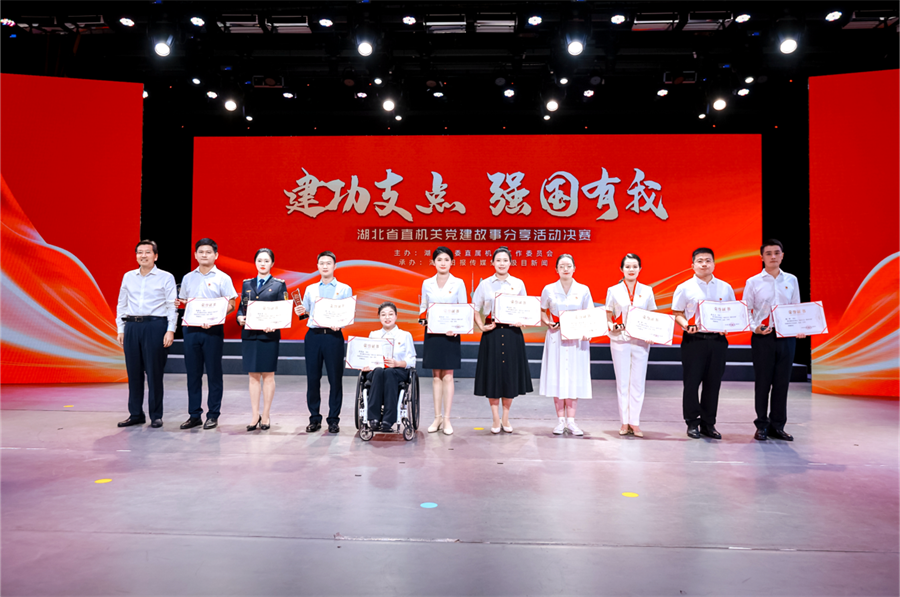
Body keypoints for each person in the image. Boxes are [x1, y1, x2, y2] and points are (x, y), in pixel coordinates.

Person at [672, 247, 736, 440]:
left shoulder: (725, 287)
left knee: (713, 383)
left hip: (718, 341)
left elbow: (732, 312)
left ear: (714, 264)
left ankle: (709, 423)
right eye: (700, 261)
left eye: (708, 260)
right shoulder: (684, 287)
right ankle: (692, 423)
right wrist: (686, 325)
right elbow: (677, 313)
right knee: (691, 383)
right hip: (694, 340)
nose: (704, 264)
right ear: (692, 265)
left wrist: (728, 326)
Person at [744, 239, 804, 442]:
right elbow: (746, 310)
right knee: (763, 382)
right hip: (763, 337)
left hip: (786, 337)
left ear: (782, 256)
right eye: (768, 253)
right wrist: (755, 328)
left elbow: (796, 307)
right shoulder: (753, 281)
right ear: (762, 257)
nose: (772, 257)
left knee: (782, 383)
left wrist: (800, 328)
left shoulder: (791, 280)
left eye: (776, 253)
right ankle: (761, 425)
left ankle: (778, 426)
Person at [115, 240, 178, 428]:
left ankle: (156, 415)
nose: (143, 255)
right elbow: (121, 304)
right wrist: (121, 328)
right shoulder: (128, 276)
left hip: (155, 326)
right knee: (133, 373)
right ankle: (135, 414)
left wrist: (170, 330)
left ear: (155, 256)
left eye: (147, 252)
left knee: (154, 373)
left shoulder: (166, 277)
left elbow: (171, 306)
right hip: (132, 326)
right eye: (139, 252)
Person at [176, 238, 237, 430]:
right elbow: (184, 302)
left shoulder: (223, 278)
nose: (204, 255)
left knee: (213, 373)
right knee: (192, 374)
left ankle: (213, 415)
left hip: (213, 330)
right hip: (191, 330)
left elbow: (232, 303)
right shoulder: (188, 278)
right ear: (195, 255)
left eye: (208, 252)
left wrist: (215, 317)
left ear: (216, 255)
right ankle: (194, 415)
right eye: (201, 252)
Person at [473, 247, 533, 433]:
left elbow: (525, 308)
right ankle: (495, 419)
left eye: (505, 260)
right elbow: (475, 307)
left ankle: (506, 418)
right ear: (492, 263)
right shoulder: (485, 284)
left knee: (509, 376)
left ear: (510, 263)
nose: (501, 263)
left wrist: (522, 320)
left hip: (512, 333)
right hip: (491, 333)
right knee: (492, 375)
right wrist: (481, 326)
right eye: (498, 260)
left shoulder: (518, 283)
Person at [293, 251, 352, 434]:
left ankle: (333, 419)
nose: (325, 266)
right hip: (313, 336)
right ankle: (314, 418)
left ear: (335, 266)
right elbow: (306, 312)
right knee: (312, 379)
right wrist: (300, 311)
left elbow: (347, 314)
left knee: (335, 379)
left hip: (333, 337)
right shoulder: (311, 289)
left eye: (328, 263)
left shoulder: (344, 289)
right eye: (321, 263)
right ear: (317, 266)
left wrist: (340, 323)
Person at [539, 254, 594, 436]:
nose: (565, 269)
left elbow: (590, 314)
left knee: (574, 377)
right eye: (561, 266)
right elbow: (542, 311)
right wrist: (548, 322)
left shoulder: (583, 289)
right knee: (558, 376)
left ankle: (571, 421)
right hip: (556, 337)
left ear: (574, 268)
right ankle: (560, 421)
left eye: (568, 265)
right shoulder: (549, 289)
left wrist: (587, 331)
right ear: (556, 269)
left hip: (577, 339)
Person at [605, 253, 658, 438]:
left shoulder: (647, 290)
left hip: (641, 341)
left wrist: (651, 334)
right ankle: (624, 421)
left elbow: (652, 315)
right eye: (627, 266)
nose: (631, 269)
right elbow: (608, 314)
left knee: (637, 382)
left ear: (640, 269)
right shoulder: (613, 290)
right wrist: (612, 325)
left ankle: (635, 422)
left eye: (635, 266)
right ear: (621, 269)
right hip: (619, 339)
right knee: (622, 382)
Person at [236, 248, 288, 432]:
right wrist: (240, 317)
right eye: (259, 260)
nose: (263, 264)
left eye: (266, 261)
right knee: (252, 376)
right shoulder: (247, 284)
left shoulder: (279, 285)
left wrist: (275, 324)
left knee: (268, 375)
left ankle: (265, 414)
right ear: (255, 263)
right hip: (250, 335)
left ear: (272, 263)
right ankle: (254, 415)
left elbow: (283, 310)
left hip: (268, 336)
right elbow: (242, 307)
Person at [419, 246, 467, 436]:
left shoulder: (458, 283)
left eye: (446, 259)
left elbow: (464, 309)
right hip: (433, 332)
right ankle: (437, 417)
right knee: (435, 376)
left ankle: (447, 418)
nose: (443, 263)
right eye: (439, 260)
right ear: (433, 262)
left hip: (450, 334)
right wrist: (423, 319)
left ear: (452, 262)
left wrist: (457, 328)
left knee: (447, 375)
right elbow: (423, 306)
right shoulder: (427, 283)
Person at [362, 302, 417, 432]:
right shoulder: (373, 334)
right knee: (380, 371)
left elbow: (412, 360)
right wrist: (364, 364)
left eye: (390, 314)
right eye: (383, 315)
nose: (387, 317)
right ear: (379, 317)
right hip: (377, 370)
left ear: (396, 316)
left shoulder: (405, 335)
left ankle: (389, 418)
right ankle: (373, 418)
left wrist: (398, 363)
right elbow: (367, 357)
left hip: (397, 370)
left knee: (389, 372)